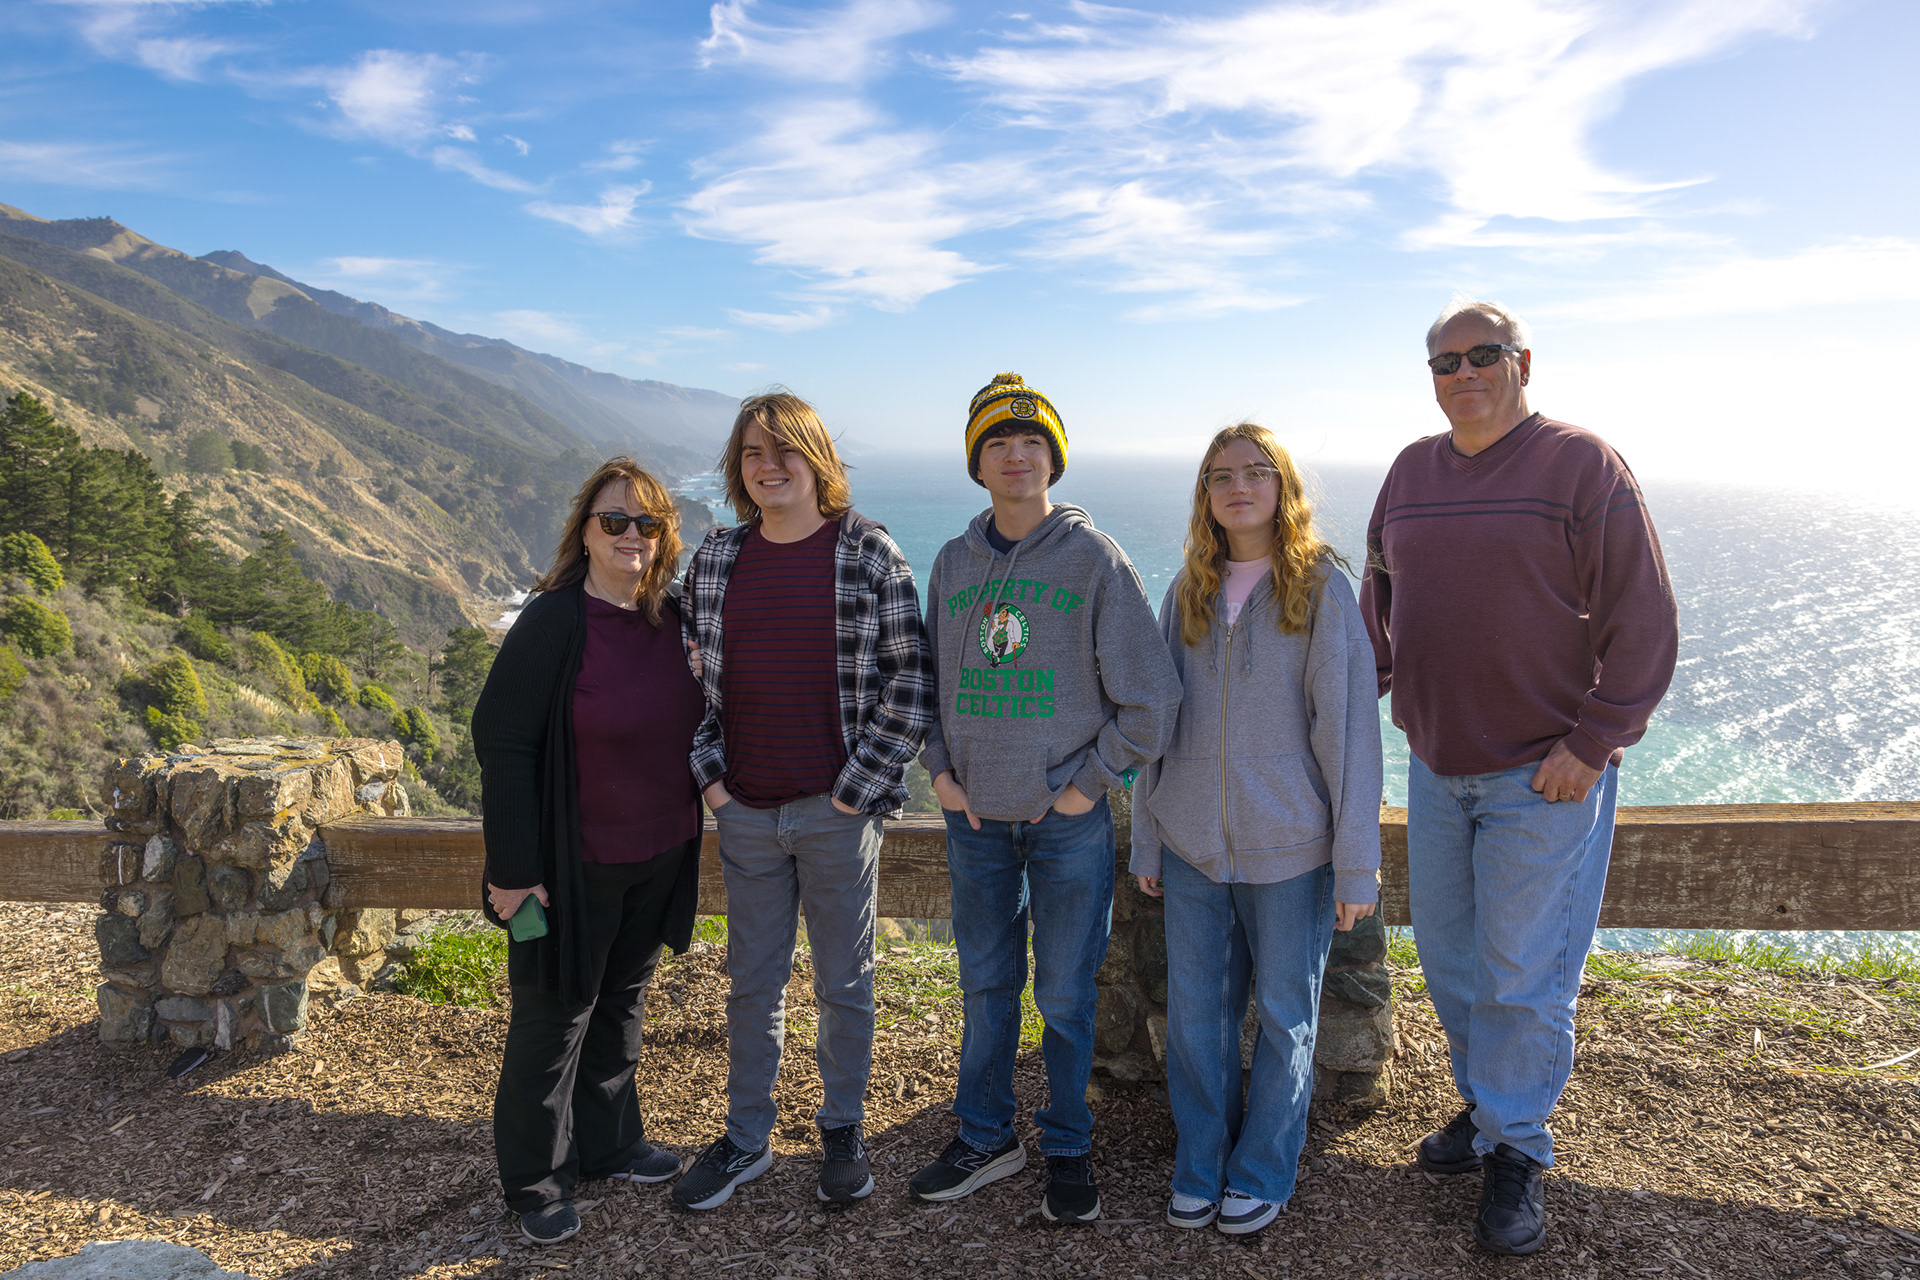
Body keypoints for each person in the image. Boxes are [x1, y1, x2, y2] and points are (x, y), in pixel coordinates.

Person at [1361, 300, 1678, 1255]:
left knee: (1522, 976)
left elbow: (1645, 618)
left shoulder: (1583, 465)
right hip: (1436, 765)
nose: (1463, 373)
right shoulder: (1411, 472)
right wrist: (1356, 689)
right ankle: (1488, 1104)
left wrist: (1595, 741)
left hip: (1542, 777)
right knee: (1454, 964)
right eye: (1444, 361)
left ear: (1522, 362)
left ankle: (1517, 1148)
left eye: (1482, 354)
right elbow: (1380, 600)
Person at [910, 373, 1181, 1224]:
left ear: (1053, 458)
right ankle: (986, 1135)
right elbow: (927, 686)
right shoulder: (953, 563)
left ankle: (1068, 1143)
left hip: (1067, 825)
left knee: (1064, 994)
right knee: (986, 986)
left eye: (1032, 441)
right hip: (974, 821)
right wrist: (941, 773)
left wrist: (1084, 787)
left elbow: (1153, 700)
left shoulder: (1094, 560)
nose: (1016, 454)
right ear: (977, 463)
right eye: (997, 442)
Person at [672, 391, 934, 1211]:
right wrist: (714, 785)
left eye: (785, 449)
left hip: (835, 812)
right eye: (752, 452)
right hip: (746, 811)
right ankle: (746, 1138)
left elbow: (910, 685)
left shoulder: (868, 554)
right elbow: (684, 681)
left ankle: (843, 1130)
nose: (769, 465)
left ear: (817, 460)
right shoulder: (717, 558)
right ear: (738, 469)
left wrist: (852, 797)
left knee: (845, 983)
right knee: (752, 984)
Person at [1130, 423, 1382, 1237]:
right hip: (1191, 848)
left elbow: (1350, 736)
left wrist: (1356, 866)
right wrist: (1146, 838)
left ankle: (1263, 1169)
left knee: (1285, 1016)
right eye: (1220, 475)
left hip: (1292, 854)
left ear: (1282, 487)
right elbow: (1157, 727)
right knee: (1196, 1020)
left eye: (1255, 472)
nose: (1238, 486)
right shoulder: (1187, 591)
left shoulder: (1321, 591)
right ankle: (1200, 1165)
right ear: (1205, 495)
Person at [471, 457, 707, 1247]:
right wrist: (513, 873)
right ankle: (535, 1182)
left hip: (659, 855)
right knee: (553, 1019)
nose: (630, 535)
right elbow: (502, 740)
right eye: (614, 521)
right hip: (570, 868)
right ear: (585, 531)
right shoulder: (554, 622)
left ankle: (610, 1145)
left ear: (665, 535)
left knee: (621, 1006)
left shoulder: (672, 618)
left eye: (648, 522)